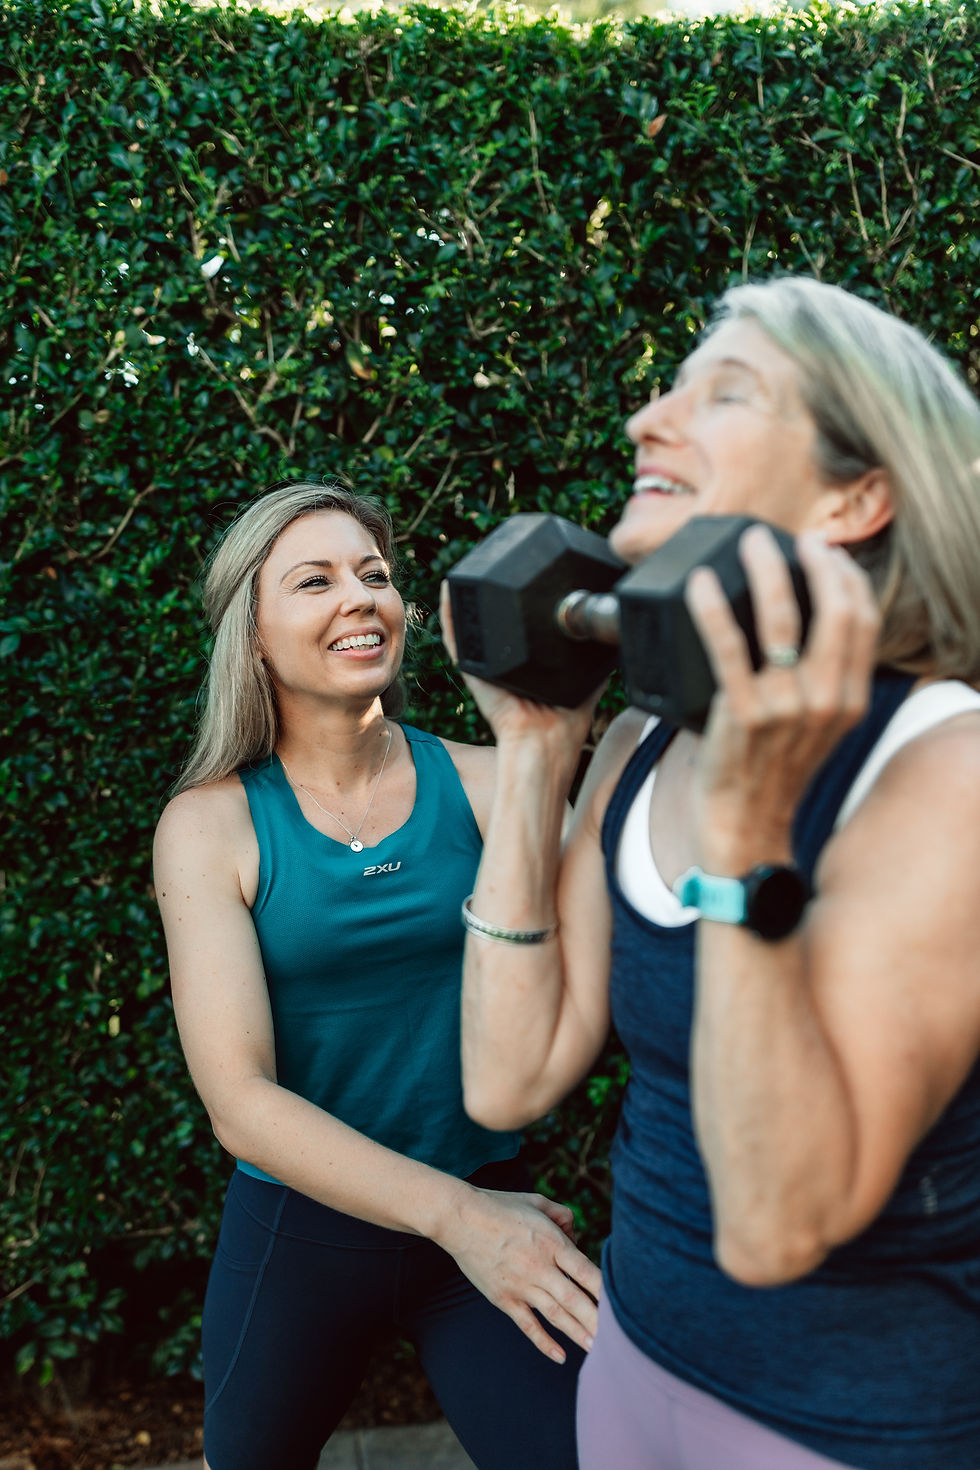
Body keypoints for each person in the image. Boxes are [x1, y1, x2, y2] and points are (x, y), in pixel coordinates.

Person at [448, 276, 980, 1470]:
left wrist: (746, 824)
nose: (646, 418)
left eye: (722, 392)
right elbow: (507, 1076)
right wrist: (538, 753)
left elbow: (778, 1227)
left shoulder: (944, 769)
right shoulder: (643, 737)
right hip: (634, 1370)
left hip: (852, 1427)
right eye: (667, 388)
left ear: (856, 495)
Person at [152, 481, 601, 1470]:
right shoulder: (210, 827)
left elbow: (627, 939)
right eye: (314, 581)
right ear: (256, 637)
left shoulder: (492, 781)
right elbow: (239, 1099)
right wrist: (458, 1219)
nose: (361, 597)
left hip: (493, 1205)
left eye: (375, 575)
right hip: (305, 1231)